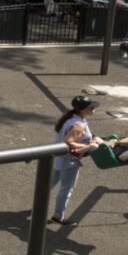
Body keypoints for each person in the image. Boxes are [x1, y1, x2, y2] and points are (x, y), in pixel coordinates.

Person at [49, 96, 103, 225]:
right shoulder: (79, 125)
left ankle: (39, 205)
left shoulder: (72, 118)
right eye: (92, 107)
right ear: (84, 109)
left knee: (49, 184)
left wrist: (91, 139)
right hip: (68, 161)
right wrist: (88, 146)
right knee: (66, 189)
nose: (94, 109)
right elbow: (68, 143)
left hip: (56, 156)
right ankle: (58, 216)